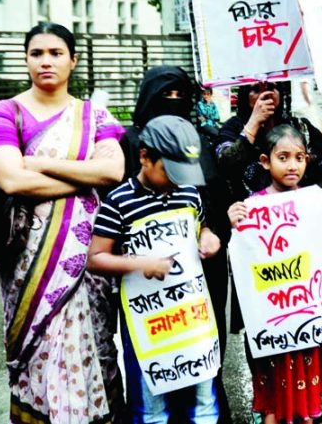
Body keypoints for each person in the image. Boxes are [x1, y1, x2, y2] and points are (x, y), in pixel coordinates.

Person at [0, 22, 126, 423]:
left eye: (55, 53)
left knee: (95, 349)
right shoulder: (4, 112)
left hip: (87, 260)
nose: (45, 61)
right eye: (36, 53)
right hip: (31, 265)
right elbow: (11, 179)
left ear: (73, 60)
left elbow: (113, 170)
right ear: (26, 59)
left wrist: (38, 162)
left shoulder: (92, 115)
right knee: (39, 352)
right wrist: (83, 175)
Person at [87, 115, 222, 422]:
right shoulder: (118, 203)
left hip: (192, 315)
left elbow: (201, 228)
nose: (177, 180)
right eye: (169, 171)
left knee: (204, 400)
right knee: (151, 406)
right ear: (145, 157)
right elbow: (95, 258)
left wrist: (209, 237)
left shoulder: (188, 192)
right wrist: (140, 263)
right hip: (145, 323)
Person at [226, 125, 322, 424]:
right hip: (271, 317)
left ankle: (305, 415)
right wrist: (232, 224)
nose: (292, 165)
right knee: (273, 387)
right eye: (283, 157)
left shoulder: (316, 200)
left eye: (299, 157)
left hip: (305, 312)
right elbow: (241, 259)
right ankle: (271, 414)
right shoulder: (251, 206)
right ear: (266, 161)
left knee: (304, 385)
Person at [216, 82, 322, 203]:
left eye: (271, 88)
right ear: (245, 96)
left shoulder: (298, 126)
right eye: (256, 89)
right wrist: (254, 122)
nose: (265, 94)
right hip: (252, 214)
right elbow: (225, 166)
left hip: (298, 209)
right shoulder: (232, 128)